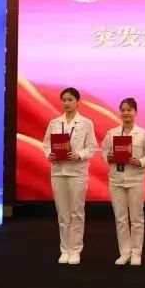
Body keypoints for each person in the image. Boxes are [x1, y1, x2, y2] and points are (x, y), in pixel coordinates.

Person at [42, 87, 99, 265]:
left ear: (77, 101)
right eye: (64, 100)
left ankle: (75, 250)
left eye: (70, 99)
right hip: (58, 171)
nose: (66, 103)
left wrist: (79, 155)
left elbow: (92, 147)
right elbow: (46, 144)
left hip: (77, 173)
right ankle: (64, 249)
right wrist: (49, 154)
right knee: (63, 213)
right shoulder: (55, 123)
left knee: (76, 212)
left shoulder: (86, 123)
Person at [101, 98, 145, 266]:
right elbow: (104, 152)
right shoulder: (112, 133)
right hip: (116, 180)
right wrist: (108, 157)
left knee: (136, 218)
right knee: (120, 218)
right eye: (123, 110)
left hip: (136, 180)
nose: (126, 113)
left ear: (135, 112)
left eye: (129, 110)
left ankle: (136, 253)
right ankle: (125, 252)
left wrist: (140, 161)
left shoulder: (143, 134)